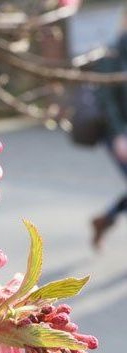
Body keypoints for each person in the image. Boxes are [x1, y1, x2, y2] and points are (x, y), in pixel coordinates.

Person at [92, 13, 127, 249]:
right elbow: (106, 100)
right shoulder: (112, 54)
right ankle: (105, 219)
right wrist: (119, 135)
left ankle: (106, 219)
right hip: (120, 134)